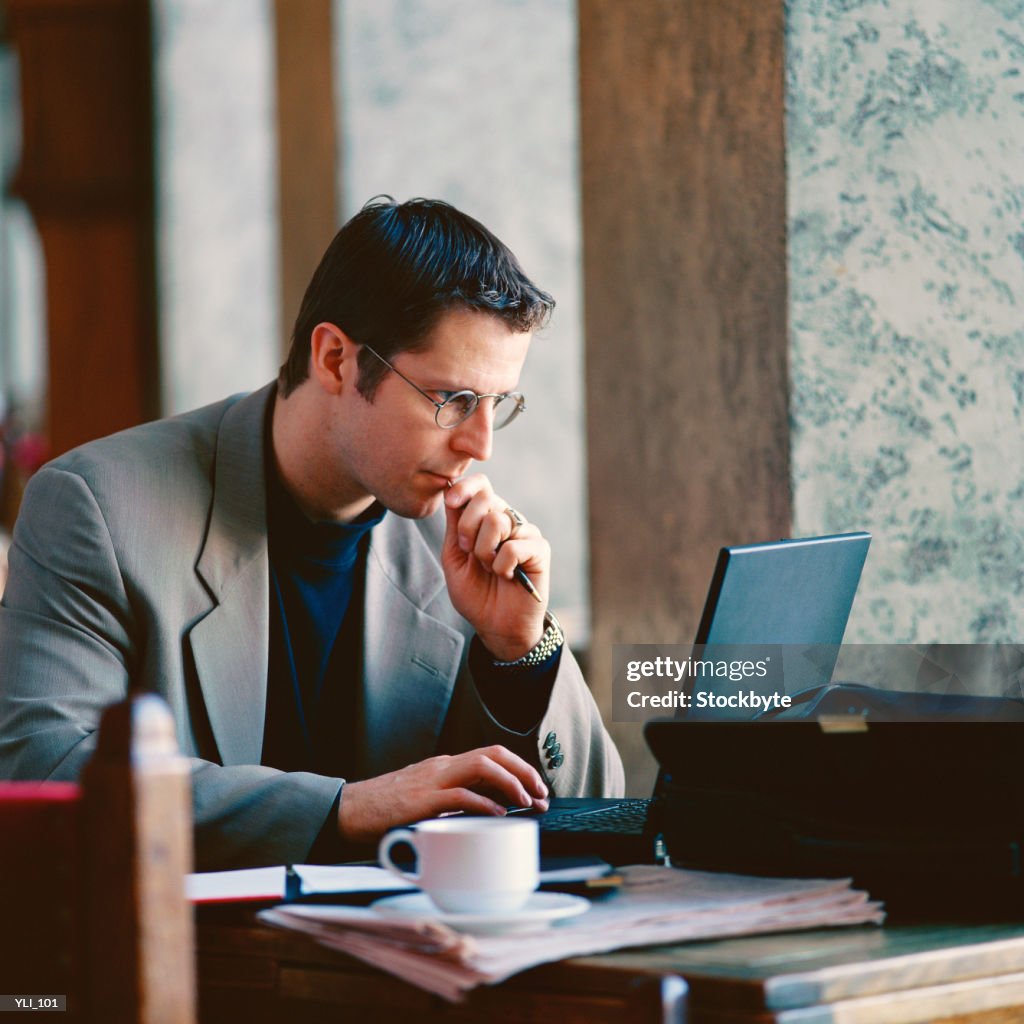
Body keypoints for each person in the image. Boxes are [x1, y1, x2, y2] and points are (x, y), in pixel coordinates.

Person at [0, 196, 624, 869]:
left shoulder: (465, 545)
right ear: (335, 360)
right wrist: (345, 809)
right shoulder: (98, 505)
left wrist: (521, 652)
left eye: (497, 405)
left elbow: (605, 813)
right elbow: (45, 770)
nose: (480, 445)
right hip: (195, 963)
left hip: (410, 960)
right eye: (454, 401)